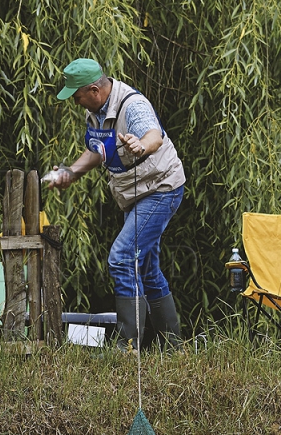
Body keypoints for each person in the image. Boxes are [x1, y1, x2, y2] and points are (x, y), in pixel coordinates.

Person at [50, 58, 185, 351]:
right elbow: (98, 151)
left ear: (95, 90)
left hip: (160, 188)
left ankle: (127, 346)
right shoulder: (97, 112)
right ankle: (174, 348)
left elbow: (153, 135)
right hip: (135, 194)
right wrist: (70, 173)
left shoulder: (131, 106)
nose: (75, 101)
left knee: (122, 257)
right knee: (147, 269)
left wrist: (141, 145)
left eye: (77, 95)